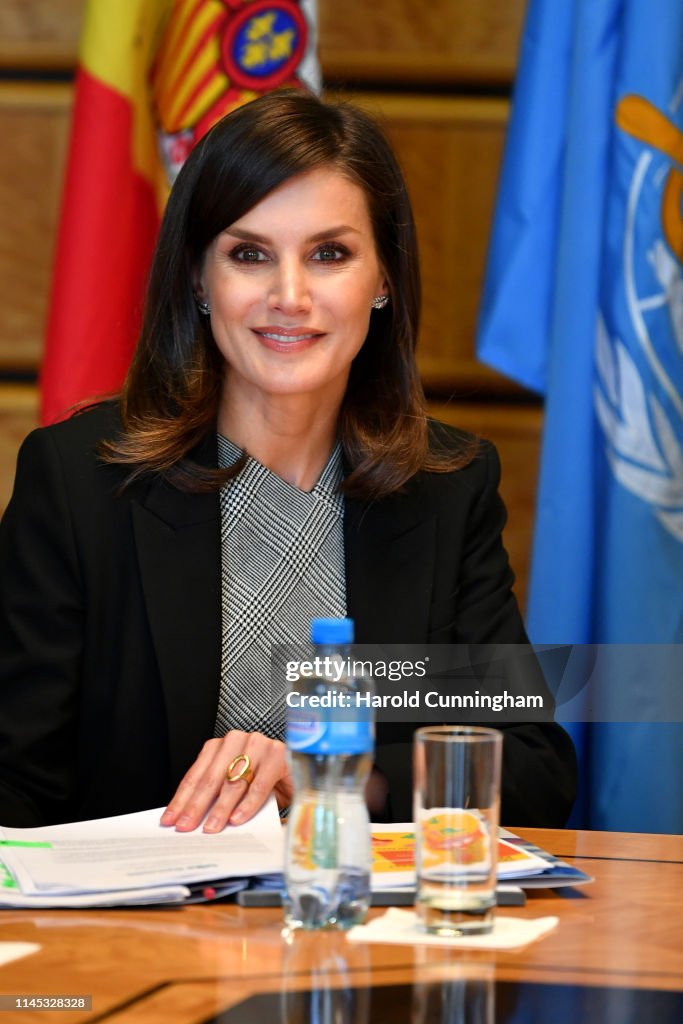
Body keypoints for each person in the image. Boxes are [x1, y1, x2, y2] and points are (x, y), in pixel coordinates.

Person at [0, 91, 576, 830]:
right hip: (134, 933)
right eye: (249, 255)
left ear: (383, 280)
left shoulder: (442, 488)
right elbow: (14, 784)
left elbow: (530, 768)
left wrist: (327, 773)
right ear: (198, 280)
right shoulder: (82, 480)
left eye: (329, 254)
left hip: (361, 929)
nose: (289, 296)